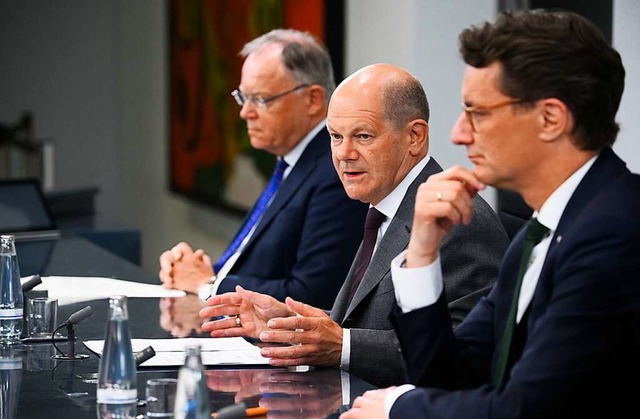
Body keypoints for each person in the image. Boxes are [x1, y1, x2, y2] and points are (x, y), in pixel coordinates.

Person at [342, 10, 640, 419]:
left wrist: (398, 406)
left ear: (550, 118)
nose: (458, 133)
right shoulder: (540, 231)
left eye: (477, 113)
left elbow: (527, 409)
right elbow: (454, 375)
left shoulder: (615, 232)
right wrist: (422, 254)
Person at [199, 63, 509, 387]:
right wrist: (291, 325)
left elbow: (457, 357)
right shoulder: (384, 205)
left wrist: (343, 345)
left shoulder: (456, 221)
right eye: (335, 136)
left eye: (363, 136)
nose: (344, 154)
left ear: (414, 137)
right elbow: (365, 326)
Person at [158, 29, 368, 310]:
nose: (245, 112)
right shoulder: (290, 161)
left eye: (261, 99)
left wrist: (208, 284)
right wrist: (195, 270)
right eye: (243, 98)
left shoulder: (335, 171)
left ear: (313, 100)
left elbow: (312, 295)